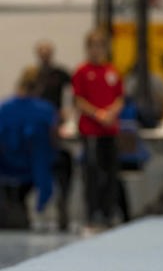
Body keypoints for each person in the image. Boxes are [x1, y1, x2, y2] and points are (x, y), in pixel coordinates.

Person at [72, 27, 124, 232]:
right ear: (88, 48)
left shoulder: (112, 71)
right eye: (93, 46)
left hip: (109, 130)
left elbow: (120, 98)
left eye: (100, 46)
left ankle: (109, 212)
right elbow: (78, 100)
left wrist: (111, 113)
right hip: (91, 129)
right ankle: (92, 215)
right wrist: (98, 114)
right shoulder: (82, 72)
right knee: (92, 173)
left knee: (111, 173)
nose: (97, 50)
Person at [0, 67, 57, 229]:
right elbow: (53, 141)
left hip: (7, 165)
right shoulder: (46, 110)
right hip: (36, 168)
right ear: (40, 87)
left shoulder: (4, 108)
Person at [32, 39, 73, 231]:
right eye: (42, 52)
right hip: (36, 131)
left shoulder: (61, 74)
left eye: (48, 51)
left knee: (64, 163)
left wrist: (66, 112)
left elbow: (72, 93)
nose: (45, 55)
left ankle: (62, 204)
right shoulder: (33, 75)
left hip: (54, 127)